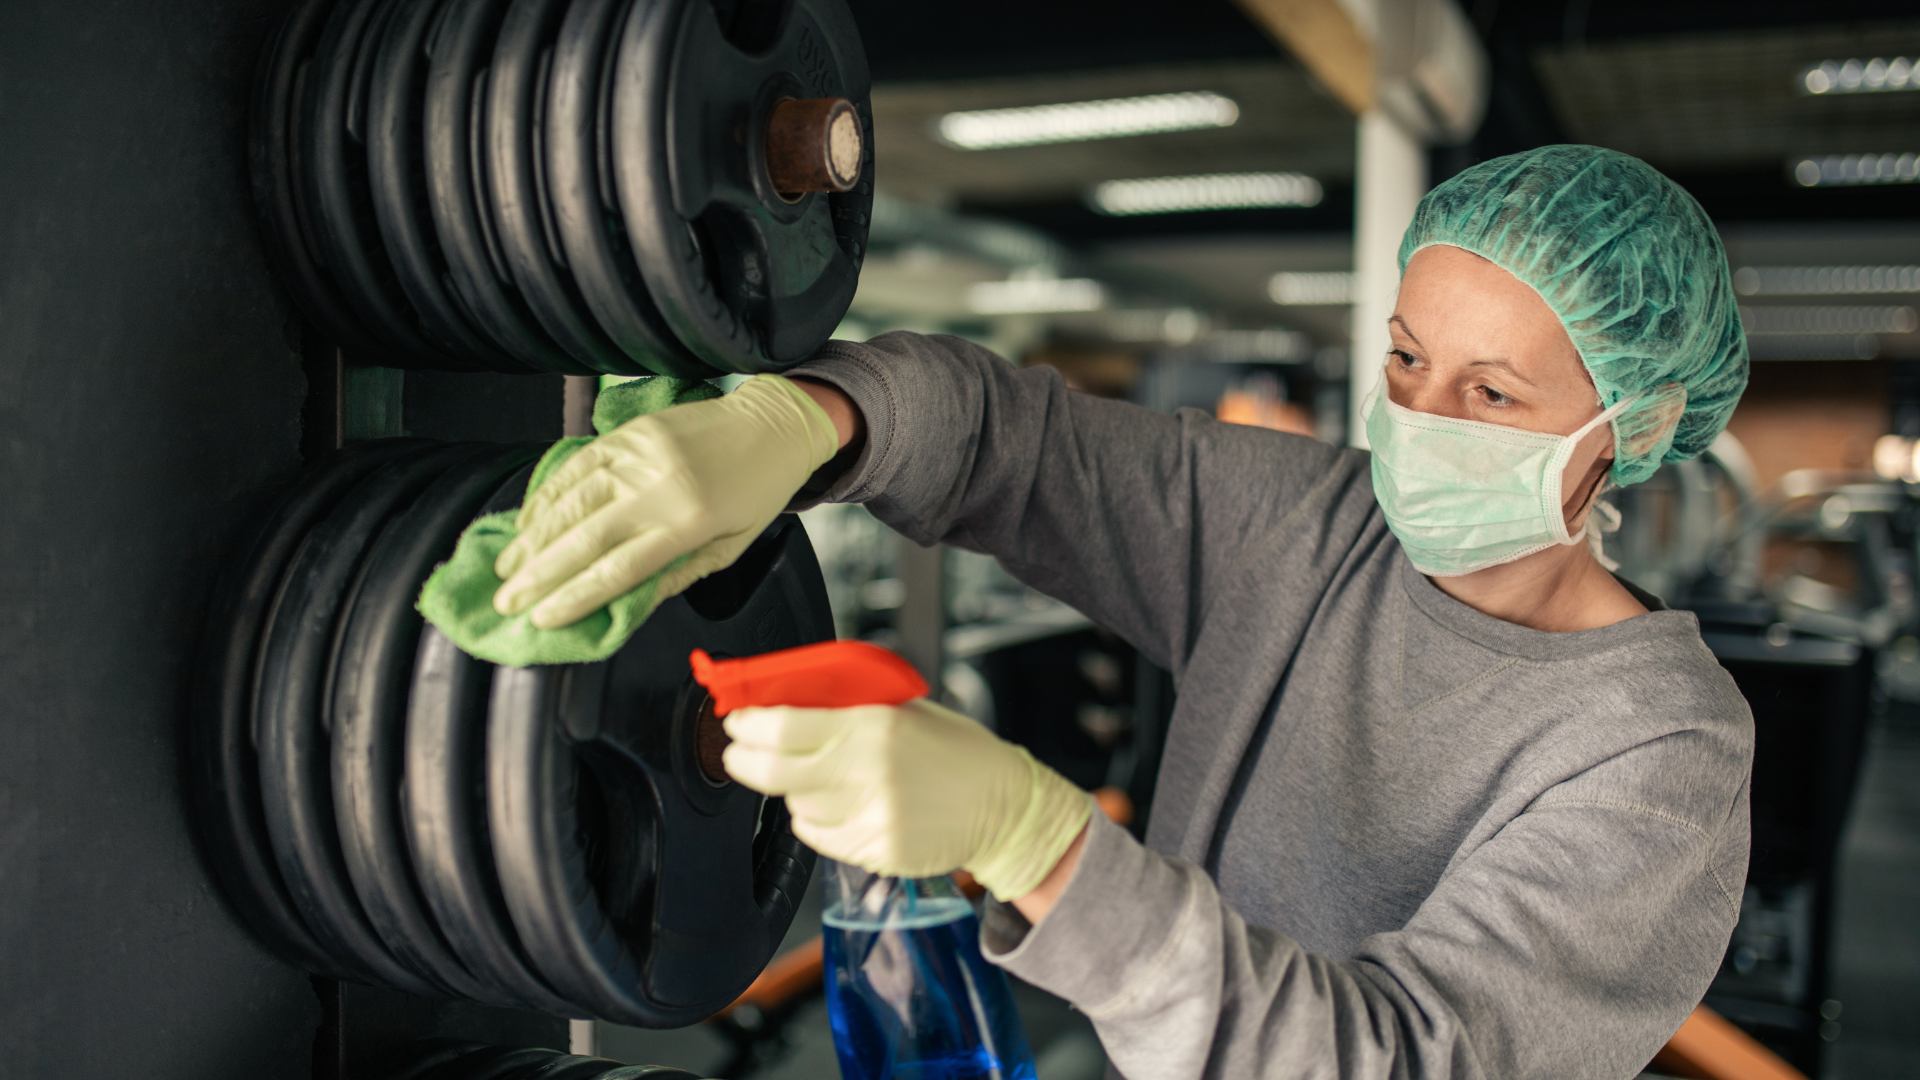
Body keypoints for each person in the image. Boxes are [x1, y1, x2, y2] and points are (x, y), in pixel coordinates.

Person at [491, 145, 1753, 1079]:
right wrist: (804, 424)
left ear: (1629, 430)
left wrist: (1038, 842)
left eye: (1490, 395)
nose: (1418, 425)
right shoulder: (1307, 523)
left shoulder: (1658, 752)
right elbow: (1010, 441)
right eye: (1408, 359)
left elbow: (1408, 1059)